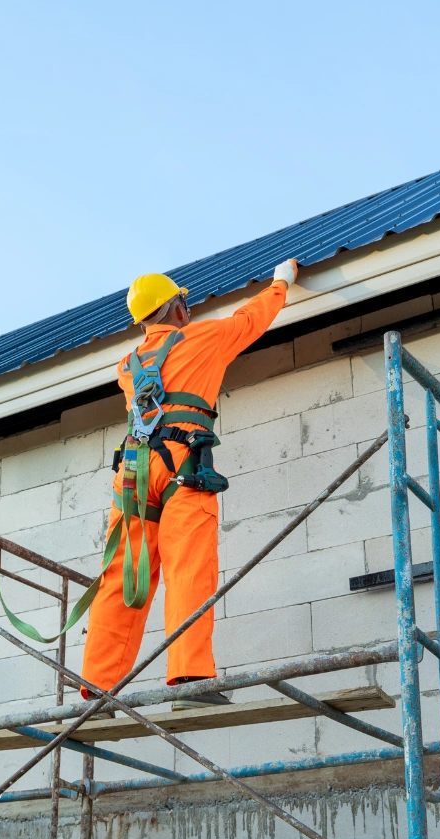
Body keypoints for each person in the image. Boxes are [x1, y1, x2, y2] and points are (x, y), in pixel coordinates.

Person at [80, 259, 299, 710]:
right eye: (185, 301)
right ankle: (188, 678)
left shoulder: (128, 365)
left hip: (134, 475)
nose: (190, 308)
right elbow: (251, 320)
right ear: (176, 307)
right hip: (181, 466)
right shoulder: (204, 338)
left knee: (123, 577)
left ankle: (96, 689)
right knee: (188, 569)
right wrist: (281, 282)